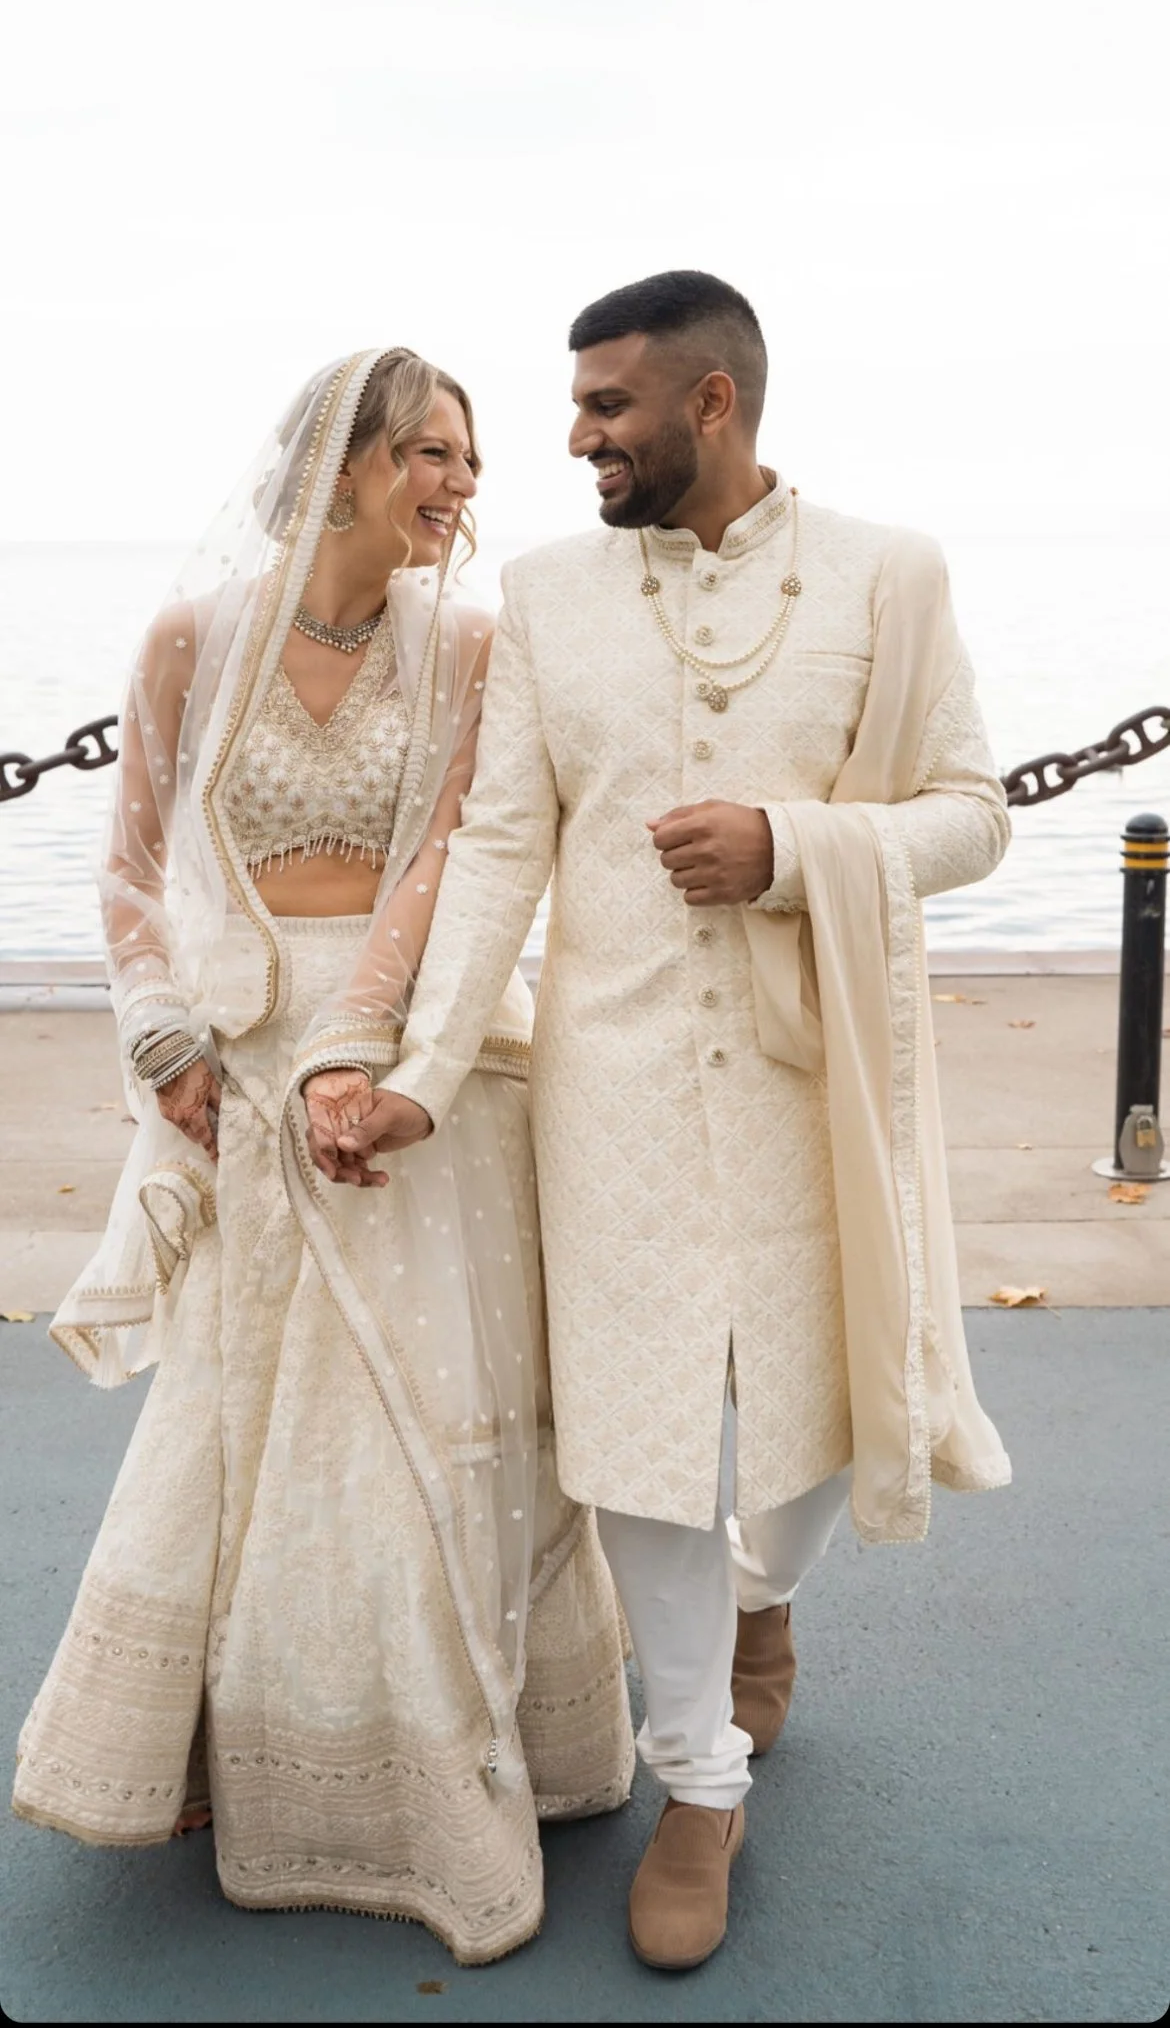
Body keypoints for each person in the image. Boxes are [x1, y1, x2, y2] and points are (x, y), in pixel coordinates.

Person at [338, 274, 1014, 1972]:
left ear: (710, 404)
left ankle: (764, 1590)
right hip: (615, 1080)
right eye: (572, 408)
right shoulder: (550, 594)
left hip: (814, 1077)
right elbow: (502, 843)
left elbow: (970, 816)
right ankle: (696, 1778)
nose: (572, 441)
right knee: (639, 1424)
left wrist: (793, 848)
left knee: (821, 1404)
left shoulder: (888, 575)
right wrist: (422, 1069)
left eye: (605, 409)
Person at [12, 348, 634, 1966]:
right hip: (231, 1051)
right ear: (342, 463)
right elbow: (134, 867)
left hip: (419, 1058)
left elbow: (446, 860)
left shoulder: (472, 650)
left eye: (468, 457)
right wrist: (167, 1047)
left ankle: (472, 1757)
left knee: (420, 1400)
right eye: (431, 451)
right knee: (244, 1402)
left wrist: (358, 1050)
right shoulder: (187, 641)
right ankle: (230, 1748)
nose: (460, 483)